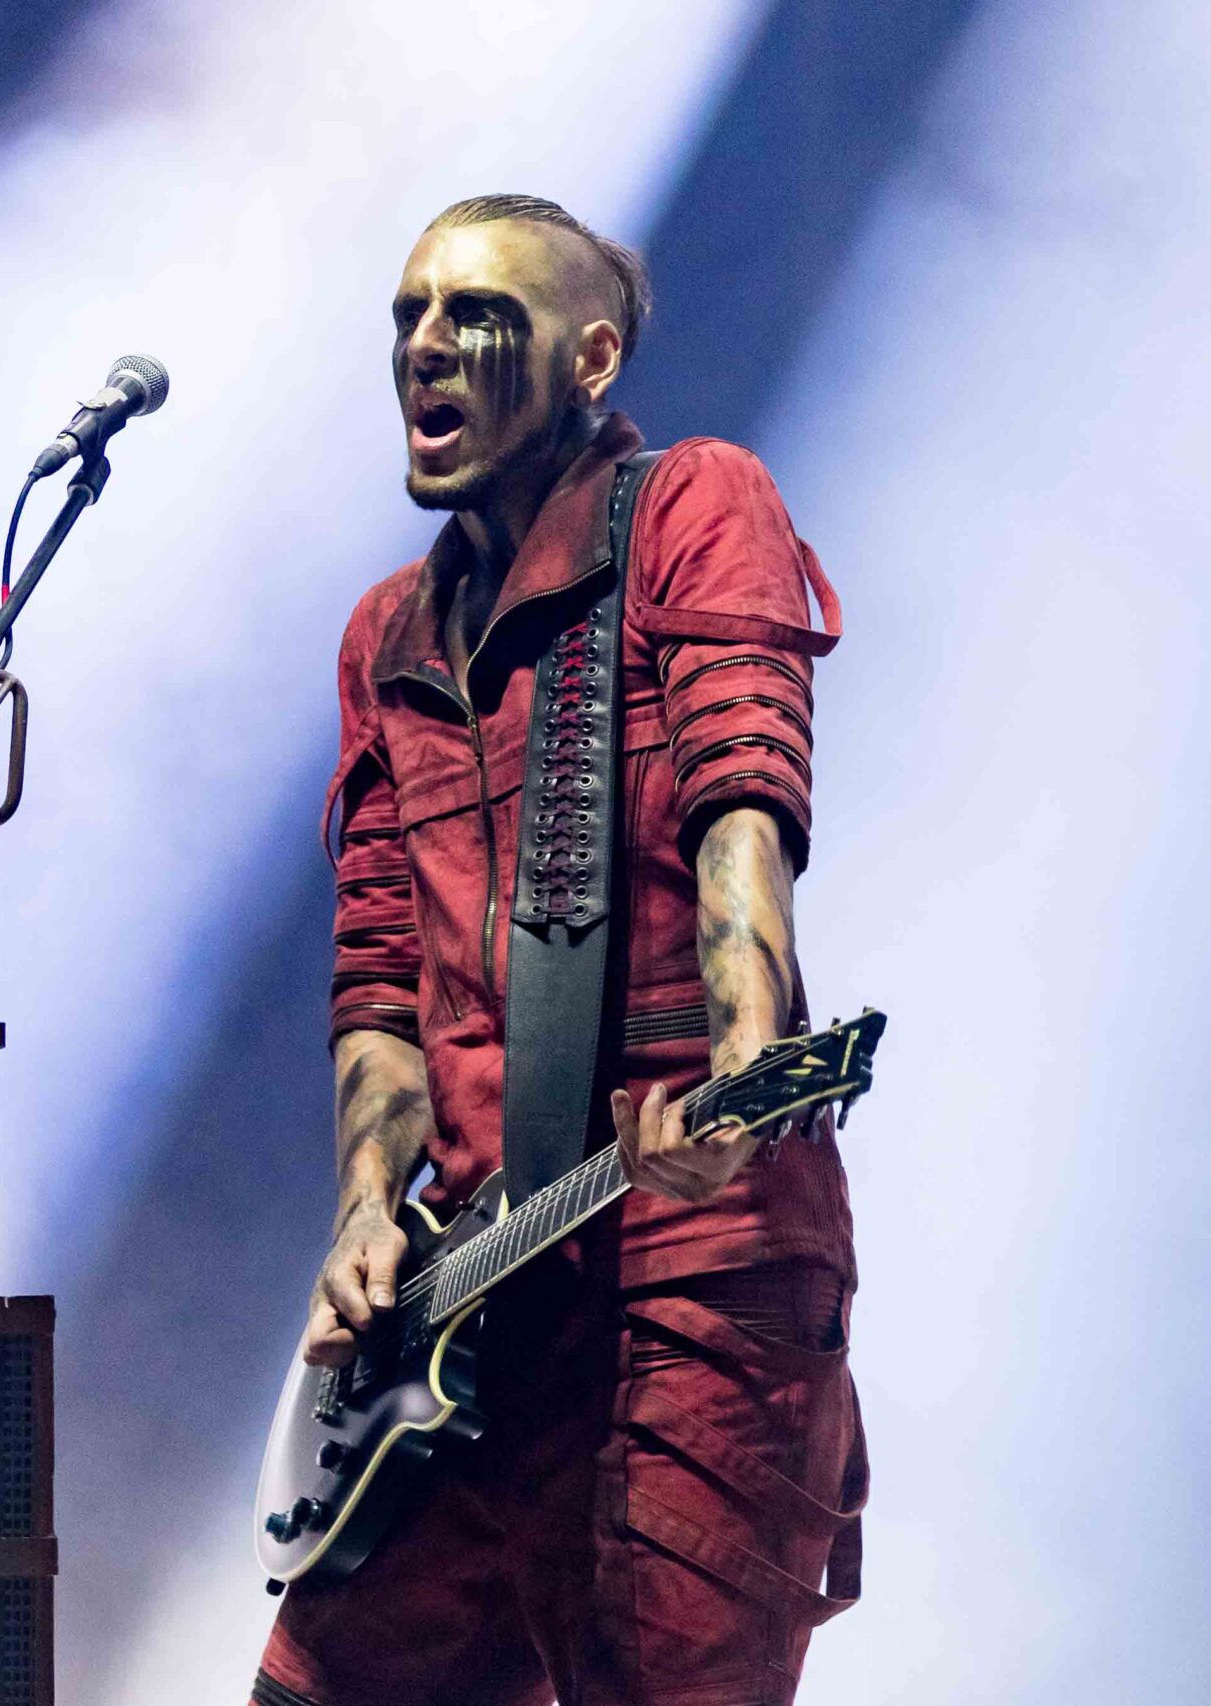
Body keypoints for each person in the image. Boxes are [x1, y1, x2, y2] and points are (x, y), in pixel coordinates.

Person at [253, 194, 865, 1706]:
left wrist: (745, 1060)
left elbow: (742, 787)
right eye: (410, 314)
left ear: (591, 358)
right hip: (468, 1291)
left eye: (477, 315)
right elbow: (380, 965)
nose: (427, 345)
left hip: (689, 1254)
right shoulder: (388, 635)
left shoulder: (688, 506)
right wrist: (365, 1215)